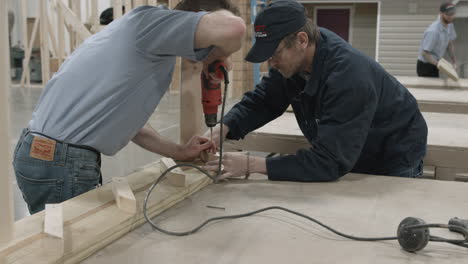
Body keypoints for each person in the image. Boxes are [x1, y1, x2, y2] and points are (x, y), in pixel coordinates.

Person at [13, 4, 246, 214]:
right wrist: (220, 54)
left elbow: (130, 125)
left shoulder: (145, 42)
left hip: (44, 155)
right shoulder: (151, 24)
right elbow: (234, 28)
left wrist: (178, 152)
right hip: (60, 162)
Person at [203, 0, 428, 182]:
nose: (271, 63)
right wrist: (224, 128)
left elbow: (330, 162)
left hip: (392, 156)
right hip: (350, 152)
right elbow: (263, 101)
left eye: (275, 54)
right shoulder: (295, 62)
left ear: (301, 40)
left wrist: (253, 165)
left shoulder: (348, 77)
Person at [417, 1, 457, 78]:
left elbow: (449, 44)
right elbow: (425, 54)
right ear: (441, 13)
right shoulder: (433, 31)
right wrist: (441, 66)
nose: (451, 16)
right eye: (448, 14)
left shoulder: (450, 25)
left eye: (452, 13)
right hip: (425, 66)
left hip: (435, 63)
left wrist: (454, 61)